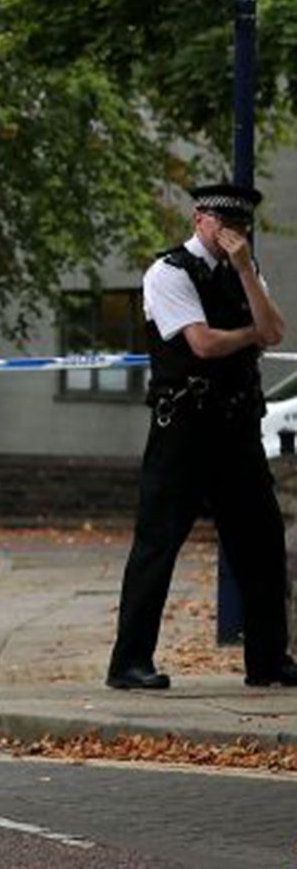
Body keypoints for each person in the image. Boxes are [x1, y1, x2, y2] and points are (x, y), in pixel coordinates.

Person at [107, 181, 297, 690]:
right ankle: (129, 662)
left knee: (261, 540)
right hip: (184, 430)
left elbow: (275, 331)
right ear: (200, 220)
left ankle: (268, 660)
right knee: (158, 545)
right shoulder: (168, 272)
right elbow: (204, 344)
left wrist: (244, 274)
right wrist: (249, 335)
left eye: (240, 226)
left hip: (236, 429)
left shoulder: (246, 271)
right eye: (223, 224)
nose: (231, 234)